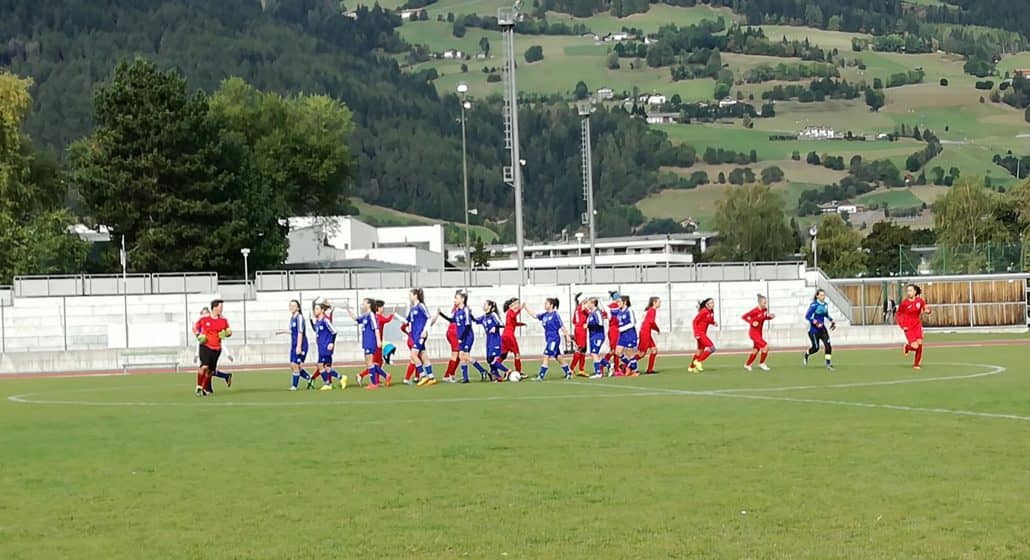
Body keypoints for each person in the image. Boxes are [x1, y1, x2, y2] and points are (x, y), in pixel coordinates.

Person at [344, 298, 387, 389]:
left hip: (371, 341)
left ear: (369, 304)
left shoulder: (371, 315)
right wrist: (348, 310)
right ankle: (379, 379)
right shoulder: (365, 316)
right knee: (369, 362)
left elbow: (376, 328)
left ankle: (374, 383)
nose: (362, 305)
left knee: (370, 362)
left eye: (364, 303)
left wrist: (378, 340)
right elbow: (356, 319)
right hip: (366, 341)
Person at [525, 298, 572, 381]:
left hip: (554, 339)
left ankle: (541, 376)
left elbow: (562, 326)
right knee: (558, 357)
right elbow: (535, 316)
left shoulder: (555, 315)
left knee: (546, 355)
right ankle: (568, 372)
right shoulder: (545, 315)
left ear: (551, 305)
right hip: (549, 339)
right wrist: (526, 308)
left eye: (546, 303)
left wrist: (567, 336)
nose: (545, 305)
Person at [194, 300, 231, 396]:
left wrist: (227, 333)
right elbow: (195, 327)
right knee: (204, 366)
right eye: (220, 307)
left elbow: (229, 331)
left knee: (210, 371)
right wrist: (198, 335)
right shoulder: (204, 318)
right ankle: (198, 387)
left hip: (217, 349)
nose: (222, 309)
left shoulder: (223, 320)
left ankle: (204, 388)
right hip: (205, 346)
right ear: (215, 308)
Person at [439, 292, 475, 383]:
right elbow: (452, 320)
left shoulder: (464, 310)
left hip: (462, 335)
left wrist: (461, 337)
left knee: (461, 356)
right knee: (460, 355)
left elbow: (467, 325)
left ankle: (452, 375)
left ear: (462, 299)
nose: (455, 300)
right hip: (456, 334)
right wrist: (441, 314)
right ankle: (450, 375)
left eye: (456, 298)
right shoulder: (457, 311)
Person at [275, 300, 311, 391]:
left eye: (294, 306)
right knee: (292, 365)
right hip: (294, 343)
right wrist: (282, 331)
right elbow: (293, 332)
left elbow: (300, 332)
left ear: (298, 307)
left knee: (296, 365)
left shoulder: (299, 317)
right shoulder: (292, 318)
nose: (291, 307)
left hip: (301, 344)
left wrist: (299, 346)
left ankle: (294, 386)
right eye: (290, 305)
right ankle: (309, 377)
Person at [406, 288, 437, 387]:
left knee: (413, 355)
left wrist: (425, 330)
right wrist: (396, 316)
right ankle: (431, 377)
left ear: (415, 295)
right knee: (423, 355)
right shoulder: (412, 308)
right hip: (415, 335)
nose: (409, 297)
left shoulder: (421, 306)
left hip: (420, 334)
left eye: (410, 295)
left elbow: (429, 318)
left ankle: (423, 375)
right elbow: (408, 321)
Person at [312, 300, 345, 390]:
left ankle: (328, 383)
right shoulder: (318, 322)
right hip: (321, 346)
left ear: (322, 310)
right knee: (326, 367)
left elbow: (334, 332)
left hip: (326, 346)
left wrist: (331, 342)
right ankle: (340, 378)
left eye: (317, 309)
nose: (315, 310)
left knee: (321, 365)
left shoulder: (325, 320)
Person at [896, 283, 931, 370]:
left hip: (917, 325)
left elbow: (927, 308)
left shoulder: (920, 301)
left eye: (910, 290)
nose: (909, 292)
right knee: (915, 346)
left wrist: (928, 311)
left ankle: (916, 364)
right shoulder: (904, 303)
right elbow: (898, 315)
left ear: (915, 292)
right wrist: (902, 325)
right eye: (908, 291)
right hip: (908, 327)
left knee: (920, 344)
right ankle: (907, 347)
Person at [474, 300, 508, 381]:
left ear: (490, 306)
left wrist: (495, 327)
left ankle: (507, 371)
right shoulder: (484, 317)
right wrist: (469, 313)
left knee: (491, 359)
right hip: (489, 341)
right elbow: (475, 320)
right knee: (489, 360)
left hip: (495, 340)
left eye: (485, 304)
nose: (483, 305)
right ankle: (496, 375)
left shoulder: (493, 315)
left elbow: (502, 324)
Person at [803, 289, 836, 371]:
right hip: (814, 330)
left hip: (822, 329)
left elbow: (825, 314)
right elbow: (807, 316)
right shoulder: (814, 305)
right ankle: (807, 354)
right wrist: (816, 322)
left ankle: (828, 363)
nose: (823, 296)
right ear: (817, 296)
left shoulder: (825, 304)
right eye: (821, 295)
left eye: (824, 295)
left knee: (828, 345)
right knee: (816, 348)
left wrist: (831, 320)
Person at [741, 294, 775, 372]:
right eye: (764, 303)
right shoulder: (755, 310)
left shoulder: (765, 310)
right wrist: (752, 322)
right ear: (759, 303)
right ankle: (762, 363)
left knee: (755, 350)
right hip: (753, 333)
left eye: (766, 303)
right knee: (766, 346)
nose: (765, 304)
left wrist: (769, 317)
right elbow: (744, 316)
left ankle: (747, 364)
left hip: (759, 332)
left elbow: (762, 318)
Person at [614, 296, 640, 376]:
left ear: (625, 302)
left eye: (619, 302)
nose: (618, 304)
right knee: (617, 352)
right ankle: (630, 365)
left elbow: (633, 323)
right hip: (622, 335)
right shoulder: (619, 311)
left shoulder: (629, 310)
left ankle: (635, 371)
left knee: (630, 352)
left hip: (630, 334)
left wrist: (622, 328)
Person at [689, 298, 716, 373]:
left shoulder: (711, 312)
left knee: (700, 351)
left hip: (703, 333)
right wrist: (696, 333)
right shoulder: (703, 311)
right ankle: (698, 361)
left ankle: (691, 367)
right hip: (700, 333)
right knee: (712, 348)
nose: (713, 304)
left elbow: (709, 320)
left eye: (713, 302)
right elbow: (694, 321)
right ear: (706, 304)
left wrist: (713, 323)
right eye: (710, 303)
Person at [636, 297, 661, 374]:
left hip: (646, 332)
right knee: (642, 354)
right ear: (654, 302)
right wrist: (657, 329)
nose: (660, 304)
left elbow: (649, 322)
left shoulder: (650, 310)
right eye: (659, 302)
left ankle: (650, 369)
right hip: (645, 333)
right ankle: (626, 364)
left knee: (654, 351)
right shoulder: (652, 310)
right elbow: (651, 322)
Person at [500, 298, 525, 375]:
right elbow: (514, 315)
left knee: (503, 355)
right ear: (512, 305)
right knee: (517, 354)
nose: (518, 305)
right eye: (517, 303)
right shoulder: (510, 312)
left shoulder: (509, 313)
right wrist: (521, 308)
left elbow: (513, 323)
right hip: (509, 335)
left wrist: (521, 324)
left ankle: (493, 369)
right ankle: (518, 372)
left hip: (505, 335)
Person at [585, 297, 608, 378]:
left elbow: (600, 323)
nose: (587, 305)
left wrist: (589, 325)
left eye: (589, 303)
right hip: (592, 335)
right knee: (594, 353)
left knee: (594, 353)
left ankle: (598, 372)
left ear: (593, 303)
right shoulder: (591, 313)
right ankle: (608, 365)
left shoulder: (597, 312)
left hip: (598, 335)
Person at [569, 293, 589, 376]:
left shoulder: (577, 309)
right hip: (581, 329)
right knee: (580, 349)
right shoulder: (582, 308)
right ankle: (571, 368)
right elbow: (590, 314)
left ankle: (581, 369)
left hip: (578, 329)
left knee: (583, 349)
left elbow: (573, 321)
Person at [604, 291, 623, 375]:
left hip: (616, 329)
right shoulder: (613, 306)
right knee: (613, 350)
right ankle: (602, 365)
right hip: (614, 329)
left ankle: (616, 368)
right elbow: (605, 314)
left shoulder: (615, 306)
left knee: (616, 350)